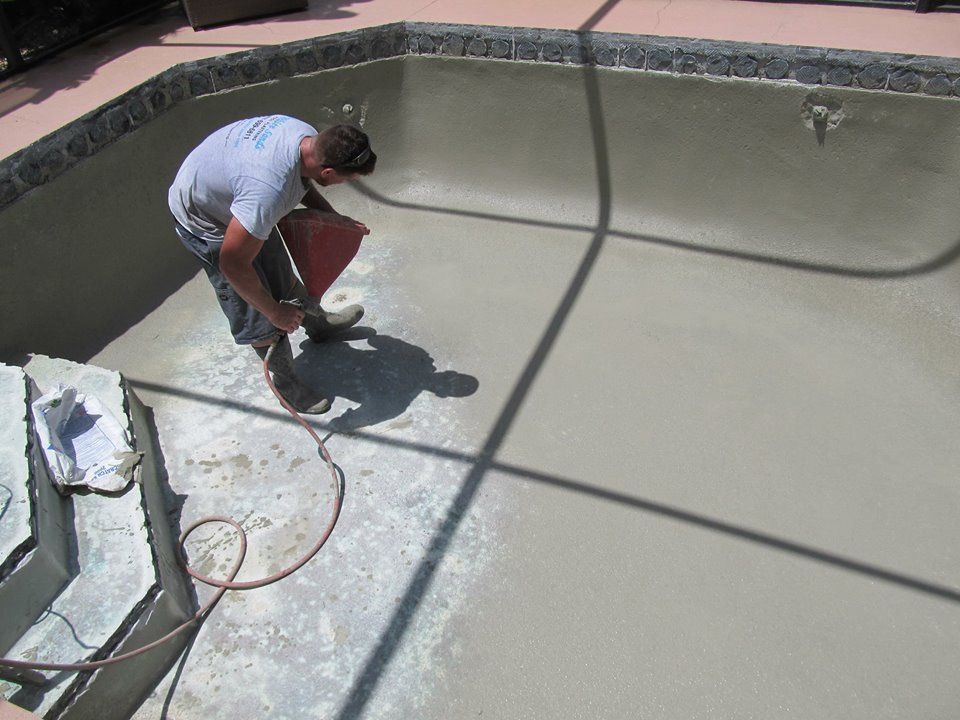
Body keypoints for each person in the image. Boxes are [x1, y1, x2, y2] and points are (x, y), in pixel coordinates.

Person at [168, 115, 376, 414]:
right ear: (328, 171)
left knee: (282, 277)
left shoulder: (305, 137)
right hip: (206, 219)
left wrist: (334, 219)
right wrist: (275, 311)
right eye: (347, 179)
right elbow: (232, 264)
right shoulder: (266, 193)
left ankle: (318, 325)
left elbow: (301, 182)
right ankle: (287, 383)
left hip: (236, 197)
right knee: (256, 309)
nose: (346, 183)